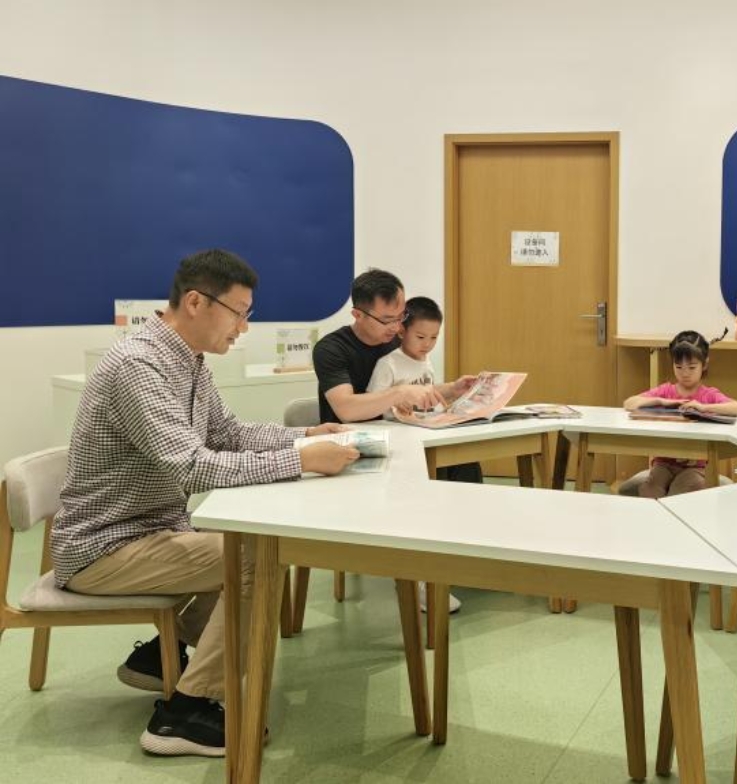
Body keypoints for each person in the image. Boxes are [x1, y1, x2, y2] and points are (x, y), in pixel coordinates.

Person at [51, 249, 360, 758]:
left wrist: (306, 436)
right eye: (239, 313)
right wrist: (302, 459)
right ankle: (185, 714)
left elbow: (227, 434)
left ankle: (163, 655)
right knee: (257, 555)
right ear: (196, 302)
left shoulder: (186, 359)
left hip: (151, 530)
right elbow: (194, 466)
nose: (243, 328)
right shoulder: (138, 366)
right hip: (103, 546)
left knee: (250, 541)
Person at [367, 295, 479, 612]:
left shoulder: (425, 362)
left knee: (467, 466)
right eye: (420, 337)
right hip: (401, 443)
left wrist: (453, 391)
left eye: (433, 338)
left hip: (427, 435)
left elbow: (430, 397)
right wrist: (396, 403)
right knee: (423, 498)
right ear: (402, 331)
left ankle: (462, 549)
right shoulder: (388, 364)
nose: (427, 344)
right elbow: (374, 406)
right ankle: (421, 576)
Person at [621, 330, 737, 498]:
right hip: (663, 463)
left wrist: (703, 407)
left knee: (679, 493)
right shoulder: (666, 391)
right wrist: (661, 401)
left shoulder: (708, 395)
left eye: (692, 367)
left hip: (695, 467)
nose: (685, 373)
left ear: (704, 364)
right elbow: (629, 403)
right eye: (678, 367)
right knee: (650, 489)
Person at [312, 269, 440, 424]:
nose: (396, 327)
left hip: (397, 429)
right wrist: (400, 393)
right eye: (387, 320)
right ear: (358, 315)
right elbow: (346, 410)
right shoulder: (331, 349)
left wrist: (452, 389)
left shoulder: (399, 340)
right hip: (347, 435)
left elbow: (416, 388)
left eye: (401, 317)